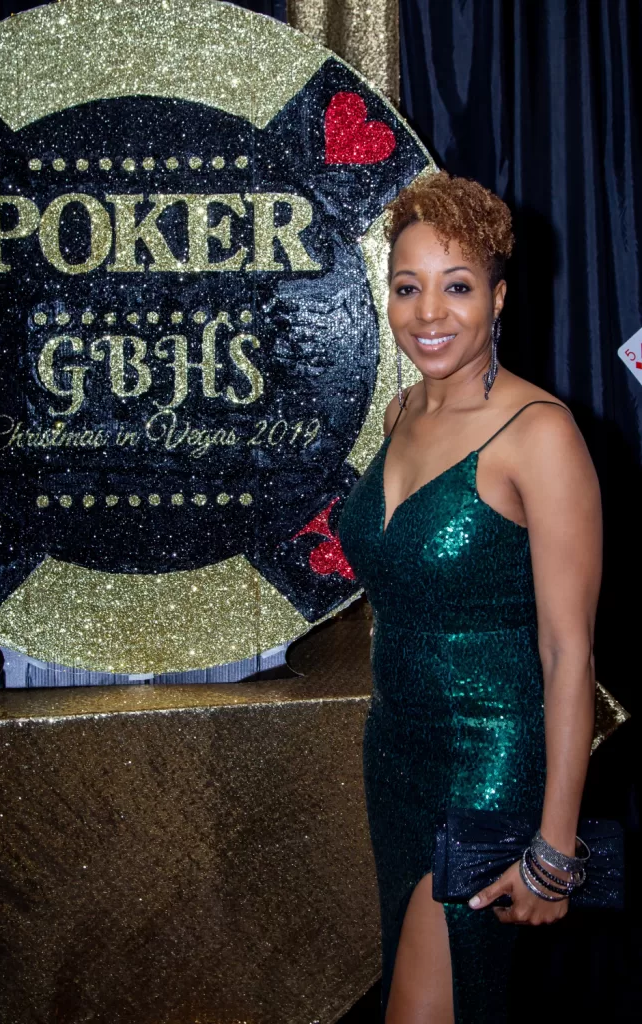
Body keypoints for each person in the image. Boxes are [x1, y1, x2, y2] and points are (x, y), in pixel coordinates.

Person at [338, 172, 601, 1023]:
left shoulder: (541, 434)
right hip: (393, 753)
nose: (428, 313)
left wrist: (554, 849)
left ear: (496, 297)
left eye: (456, 287)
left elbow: (568, 655)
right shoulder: (398, 413)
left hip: (490, 762)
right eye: (407, 288)